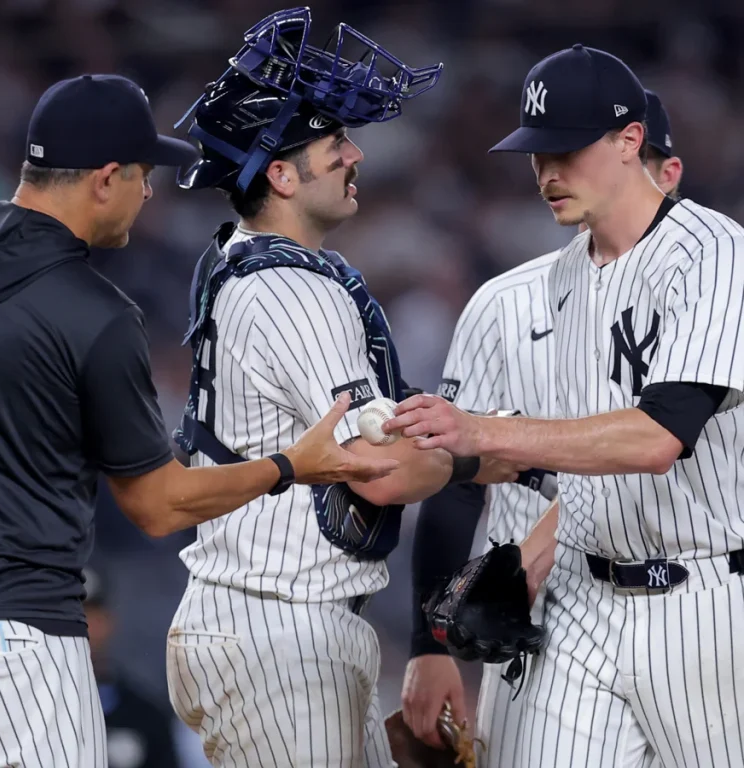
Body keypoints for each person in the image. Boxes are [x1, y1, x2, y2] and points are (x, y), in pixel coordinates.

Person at [0, 73, 399, 768]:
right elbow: (158, 505)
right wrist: (290, 466)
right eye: (142, 175)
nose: (149, 193)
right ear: (105, 179)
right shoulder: (93, 313)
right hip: (21, 643)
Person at [163, 9, 522, 767]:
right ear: (281, 174)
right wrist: (488, 450)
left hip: (269, 622)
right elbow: (383, 471)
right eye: (335, 146)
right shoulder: (292, 287)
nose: (356, 155)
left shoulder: (247, 264)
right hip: (280, 630)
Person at [384, 44, 744, 768]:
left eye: (567, 151)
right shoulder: (567, 275)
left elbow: (657, 438)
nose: (547, 172)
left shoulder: (713, 252)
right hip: (581, 602)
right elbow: (575, 460)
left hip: (699, 599)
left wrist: (482, 432)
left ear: (631, 140)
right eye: (537, 153)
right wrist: (518, 549)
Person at [82, 565, 181, 768]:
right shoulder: (31, 709)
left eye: (90, 615)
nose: (82, 627)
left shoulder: (146, 717)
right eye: (73, 615)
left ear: (108, 621)